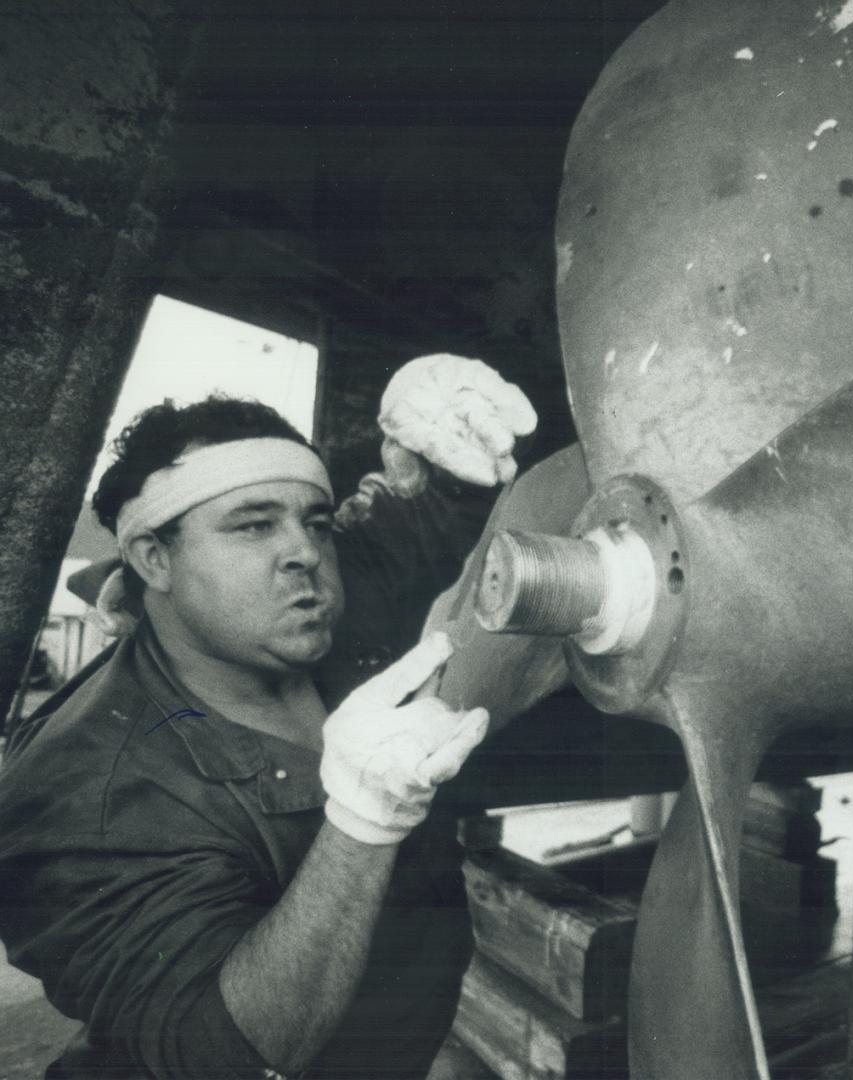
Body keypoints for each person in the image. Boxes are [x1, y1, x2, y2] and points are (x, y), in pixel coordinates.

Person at [0, 353, 537, 1078]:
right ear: (153, 561)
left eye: (314, 522)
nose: (305, 553)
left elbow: (417, 521)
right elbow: (224, 1055)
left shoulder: (304, 604)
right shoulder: (82, 792)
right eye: (252, 527)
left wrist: (427, 447)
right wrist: (360, 823)